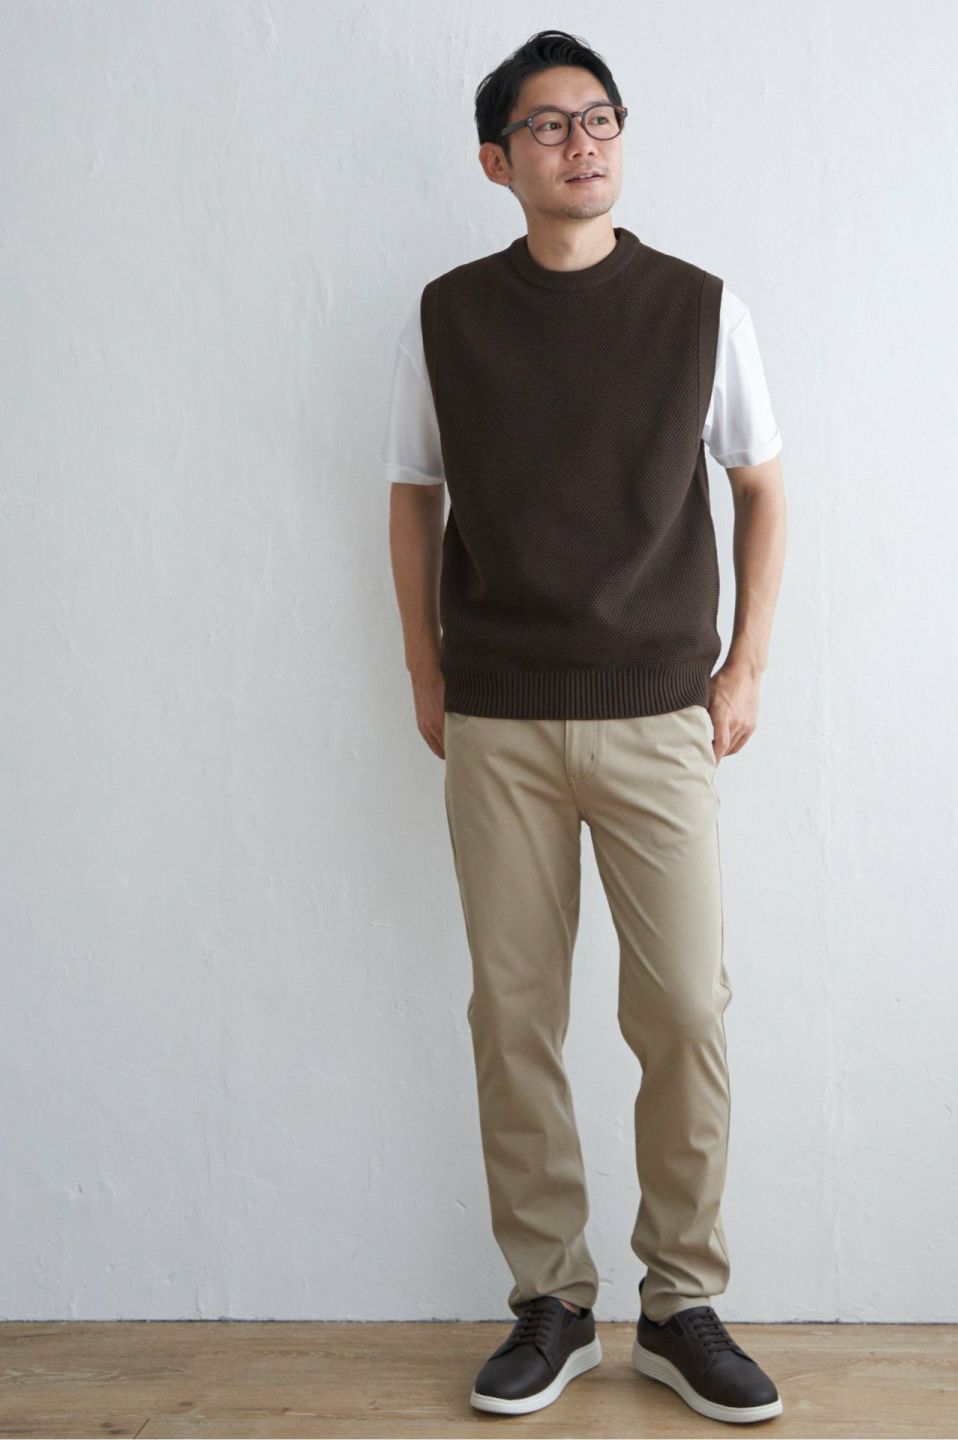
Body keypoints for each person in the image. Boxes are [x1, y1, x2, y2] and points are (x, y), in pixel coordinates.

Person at [382, 28, 787, 1425]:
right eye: (550, 125)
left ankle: (680, 1305)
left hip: (660, 711)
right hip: (497, 714)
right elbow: (412, 493)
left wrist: (744, 668)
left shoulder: (700, 309)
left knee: (683, 1011)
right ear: (497, 160)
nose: (582, 143)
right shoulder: (448, 315)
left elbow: (763, 486)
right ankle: (550, 1301)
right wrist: (425, 670)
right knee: (514, 1015)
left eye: (600, 118)